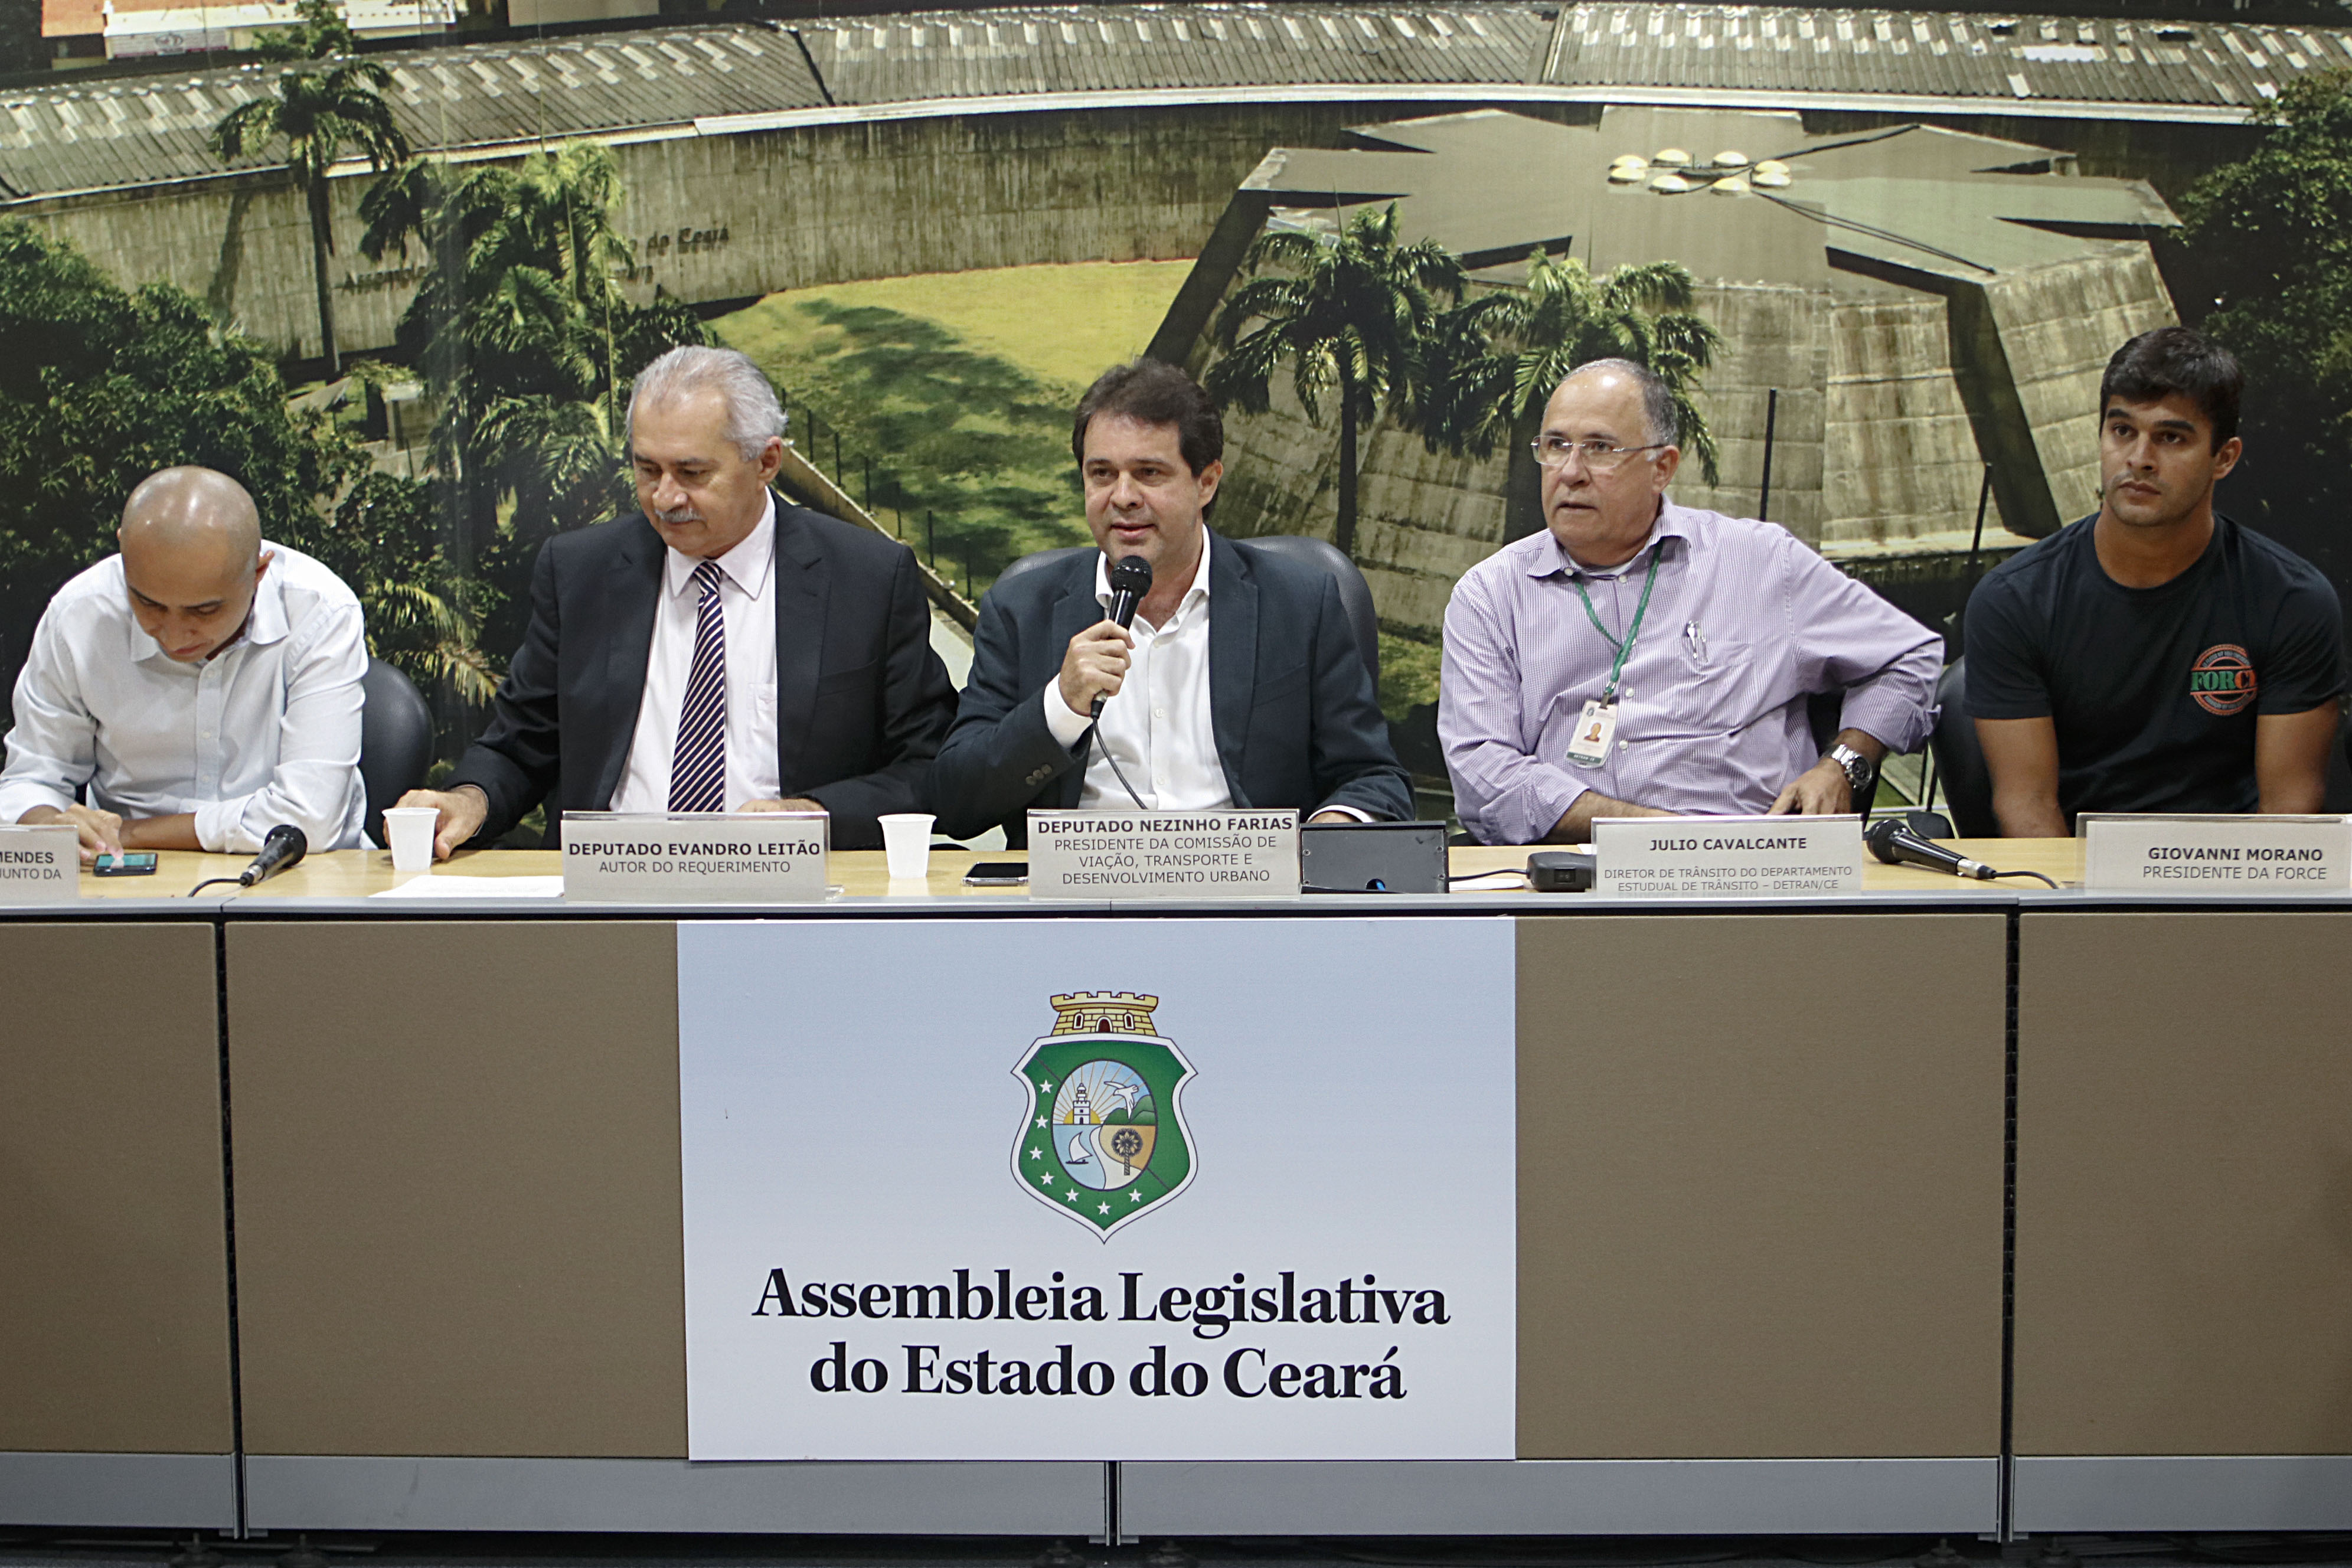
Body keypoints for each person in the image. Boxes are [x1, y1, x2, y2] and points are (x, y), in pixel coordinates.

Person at [397, 345, 955, 855]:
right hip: (611, 891)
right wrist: (469, 800)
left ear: (766, 462)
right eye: (647, 470)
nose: (665, 497)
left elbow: (928, 766)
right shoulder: (580, 572)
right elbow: (521, 746)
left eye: (692, 473)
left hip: (792, 890)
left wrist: (814, 815)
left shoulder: (866, 579)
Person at [1440, 359, 1941, 844]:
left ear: (1662, 467)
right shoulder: (1491, 596)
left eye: (1600, 448)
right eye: (1556, 446)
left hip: (1754, 863)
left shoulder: (1763, 562)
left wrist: (1844, 764)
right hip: (1575, 869)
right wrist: (1660, 835)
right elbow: (1485, 775)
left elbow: (1908, 656)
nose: (1570, 471)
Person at [932, 359, 1412, 842]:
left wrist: (1326, 838)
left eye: (1149, 473)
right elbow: (956, 804)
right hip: (1083, 885)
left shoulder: (1300, 603)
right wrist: (1061, 704)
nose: (1123, 496)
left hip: (1245, 883)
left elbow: (1374, 778)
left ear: (1207, 482)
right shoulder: (1022, 608)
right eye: (1102, 474)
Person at [1965, 328, 2344, 833]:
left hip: (2232, 869)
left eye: (2171, 438)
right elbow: (2027, 806)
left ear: (2224, 458)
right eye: (2122, 430)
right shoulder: (2013, 601)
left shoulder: (2292, 601)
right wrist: (2076, 889)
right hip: (2076, 871)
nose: (2139, 458)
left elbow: (2288, 808)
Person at [0, 466, 367, 863]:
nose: (174, 637)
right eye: (148, 603)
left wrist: (127, 834)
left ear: (258, 573)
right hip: (125, 876)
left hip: (303, 874)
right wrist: (49, 823)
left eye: (204, 611)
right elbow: (31, 778)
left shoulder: (320, 613)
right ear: (124, 554)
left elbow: (308, 818)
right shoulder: (80, 616)